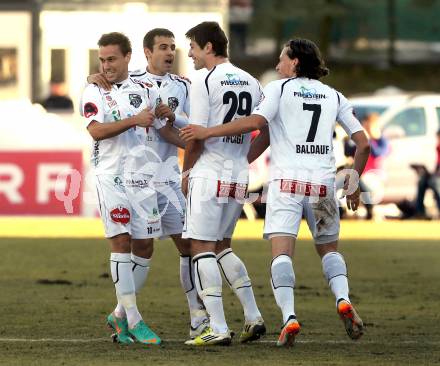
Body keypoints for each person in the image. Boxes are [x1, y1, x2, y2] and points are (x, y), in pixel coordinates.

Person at [180, 38, 370, 346]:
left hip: (287, 184)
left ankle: (289, 318)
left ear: (294, 62)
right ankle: (343, 299)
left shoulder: (279, 90)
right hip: (322, 185)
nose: (277, 65)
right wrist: (353, 182)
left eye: (281, 59)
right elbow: (364, 145)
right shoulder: (335, 96)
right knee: (329, 251)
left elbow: (256, 123)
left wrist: (208, 132)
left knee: (282, 254)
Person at [87, 28, 208, 340]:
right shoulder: (95, 88)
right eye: (102, 60)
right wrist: (133, 118)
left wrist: (201, 147)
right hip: (114, 177)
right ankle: (134, 318)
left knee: (165, 244)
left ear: (126, 57)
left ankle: (124, 315)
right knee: (124, 242)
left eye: (111, 59)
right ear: (144, 52)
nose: (105, 65)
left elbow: (166, 129)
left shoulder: (166, 87)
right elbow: (97, 130)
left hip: (152, 177)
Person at [182, 21, 265, 346]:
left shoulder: (203, 79)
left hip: (210, 173)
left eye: (192, 46)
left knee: (200, 247)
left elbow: (195, 134)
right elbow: (265, 127)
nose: (189, 53)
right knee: (222, 246)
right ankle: (253, 316)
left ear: (207, 47)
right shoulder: (252, 81)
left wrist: (186, 173)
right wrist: (245, 157)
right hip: (238, 176)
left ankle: (216, 326)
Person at [414, 128, 440, 218]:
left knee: (435, 183)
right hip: (437, 176)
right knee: (422, 181)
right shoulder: (438, 148)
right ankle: (420, 212)